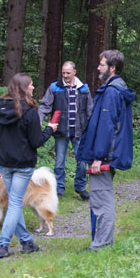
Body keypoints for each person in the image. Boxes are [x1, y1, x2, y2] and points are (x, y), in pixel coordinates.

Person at [0, 73, 58, 258]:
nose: (33, 88)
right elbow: (36, 141)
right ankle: (3, 244)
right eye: (31, 85)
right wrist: (49, 130)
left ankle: (26, 242)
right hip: (22, 164)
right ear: (23, 88)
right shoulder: (29, 112)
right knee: (15, 204)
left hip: (4, 163)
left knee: (14, 202)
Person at [77, 50, 135, 251]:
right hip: (106, 155)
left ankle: (101, 245)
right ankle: (102, 242)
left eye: (102, 64)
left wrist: (98, 158)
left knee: (101, 201)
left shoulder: (111, 92)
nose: (98, 68)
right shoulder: (114, 89)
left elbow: (107, 127)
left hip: (104, 157)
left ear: (112, 68)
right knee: (100, 198)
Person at [38, 61, 93, 200]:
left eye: (68, 73)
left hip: (80, 130)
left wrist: (93, 127)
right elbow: (45, 105)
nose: (65, 75)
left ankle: (80, 187)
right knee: (59, 162)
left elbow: (90, 110)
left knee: (81, 161)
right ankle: (59, 189)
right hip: (61, 130)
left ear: (74, 72)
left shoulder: (84, 88)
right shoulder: (55, 87)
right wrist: (39, 119)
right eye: (63, 73)